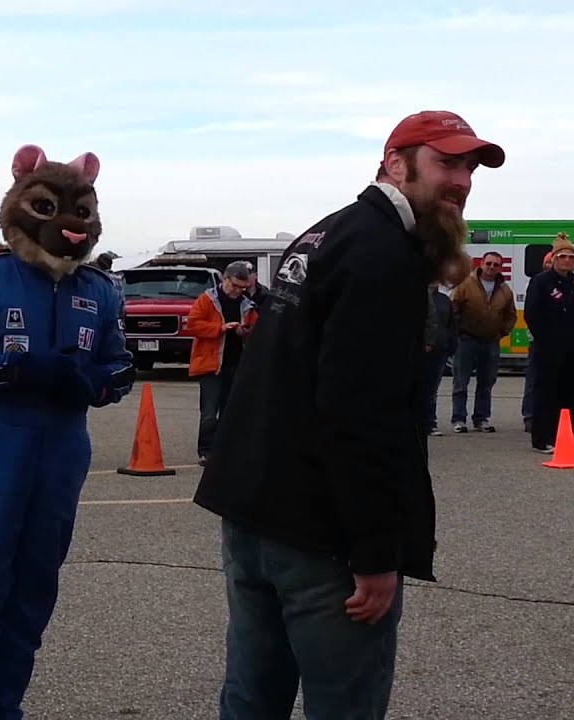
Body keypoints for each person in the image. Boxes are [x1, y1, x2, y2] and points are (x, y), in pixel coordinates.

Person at [193, 110, 503, 719]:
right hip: (321, 535)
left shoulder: (327, 232)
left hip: (254, 513)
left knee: (252, 697)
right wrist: (375, 552)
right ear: (395, 163)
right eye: (446, 162)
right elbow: (362, 413)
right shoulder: (383, 253)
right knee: (344, 706)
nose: (462, 180)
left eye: (470, 167)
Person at [0, 144, 134, 719]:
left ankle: (2, 709)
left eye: (81, 212)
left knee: (35, 589)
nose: (69, 225)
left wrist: (92, 385)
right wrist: (13, 370)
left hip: (63, 446)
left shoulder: (98, 289)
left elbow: (121, 365)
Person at [185, 261, 257, 465]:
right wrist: (220, 328)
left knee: (230, 410)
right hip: (211, 366)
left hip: (236, 363)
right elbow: (193, 325)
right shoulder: (207, 299)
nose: (238, 291)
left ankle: (227, 450)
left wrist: (245, 331)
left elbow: (256, 328)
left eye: (242, 287)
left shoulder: (247, 304)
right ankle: (206, 451)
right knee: (209, 412)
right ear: (224, 279)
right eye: (234, 285)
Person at [449, 250, 515, 433]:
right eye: (489, 263)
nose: (491, 267)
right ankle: (458, 419)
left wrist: (502, 331)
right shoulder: (465, 284)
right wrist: (457, 331)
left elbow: (511, 315)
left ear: (500, 268)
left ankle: (481, 419)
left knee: (486, 383)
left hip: (491, 342)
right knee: (461, 382)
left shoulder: (505, 290)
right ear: (482, 264)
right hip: (466, 340)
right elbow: (453, 309)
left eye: (496, 265)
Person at [524, 236, 574, 453]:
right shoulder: (541, 281)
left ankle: (566, 436)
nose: (567, 261)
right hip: (548, 349)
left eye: (571, 257)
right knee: (546, 393)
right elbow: (532, 314)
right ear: (554, 259)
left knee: (568, 393)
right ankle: (542, 438)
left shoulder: (572, 282)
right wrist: (545, 340)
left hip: (571, 349)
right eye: (562, 257)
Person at [522, 248, 556, 433]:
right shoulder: (538, 282)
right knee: (534, 380)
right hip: (540, 342)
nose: (550, 265)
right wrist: (541, 336)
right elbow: (532, 313)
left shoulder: (567, 283)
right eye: (548, 262)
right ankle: (530, 416)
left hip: (563, 344)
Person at [421, 280, 458, 436]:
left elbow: (451, 325)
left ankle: (430, 423)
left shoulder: (444, 300)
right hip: (419, 351)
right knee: (417, 388)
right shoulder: (416, 296)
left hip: (439, 351)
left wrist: (451, 345)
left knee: (432, 390)